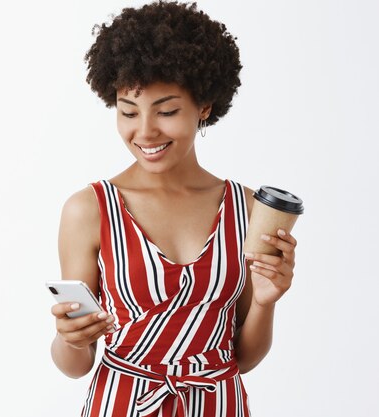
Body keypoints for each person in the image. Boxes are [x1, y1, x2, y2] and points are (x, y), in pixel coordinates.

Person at [50, 1, 298, 416]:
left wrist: (266, 301)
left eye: (166, 111)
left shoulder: (249, 209)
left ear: (204, 106)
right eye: (128, 112)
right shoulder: (89, 210)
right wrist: (71, 339)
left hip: (220, 405)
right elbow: (75, 365)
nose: (144, 131)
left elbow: (243, 358)